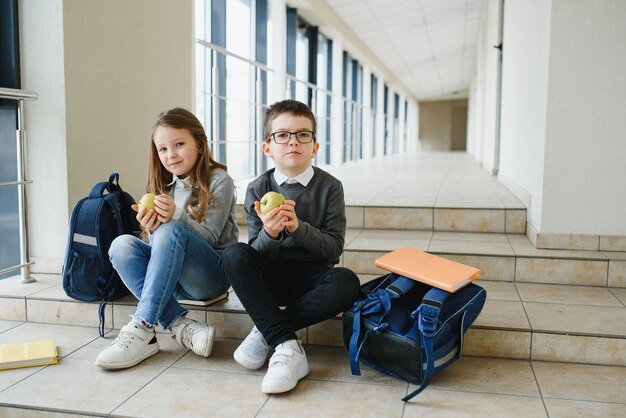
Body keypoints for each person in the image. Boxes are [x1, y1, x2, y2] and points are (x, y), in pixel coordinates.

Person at [220, 99, 360, 394]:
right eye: (282, 134)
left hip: (313, 279)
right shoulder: (258, 188)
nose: (293, 141)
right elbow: (255, 255)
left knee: (347, 281)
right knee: (234, 255)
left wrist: (297, 228)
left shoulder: (330, 187)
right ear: (268, 147)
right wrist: (271, 234)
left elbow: (333, 250)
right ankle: (286, 345)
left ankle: (268, 330)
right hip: (272, 278)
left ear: (315, 146)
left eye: (303, 134)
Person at [95, 107, 238, 370]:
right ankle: (177, 324)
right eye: (162, 149)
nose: (170, 155)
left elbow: (208, 238)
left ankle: (142, 325)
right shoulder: (162, 187)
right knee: (121, 245)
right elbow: (163, 250)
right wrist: (151, 229)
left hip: (210, 278)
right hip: (173, 282)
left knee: (172, 229)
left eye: (179, 144)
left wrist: (176, 218)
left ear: (199, 143)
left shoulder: (221, 181)